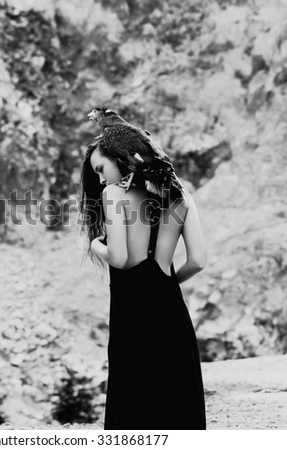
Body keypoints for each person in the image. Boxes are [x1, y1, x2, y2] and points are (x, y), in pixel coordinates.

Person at [79, 133, 207, 430]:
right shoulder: (180, 196)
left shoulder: (114, 194)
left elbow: (120, 258)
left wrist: (96, 245)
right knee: (178, 405)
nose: (100, 180)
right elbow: (198, 261)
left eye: (100, 169)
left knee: (134, 408)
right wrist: (168, 284)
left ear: (121, 156)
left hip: (133, 314)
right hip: (172, 311)